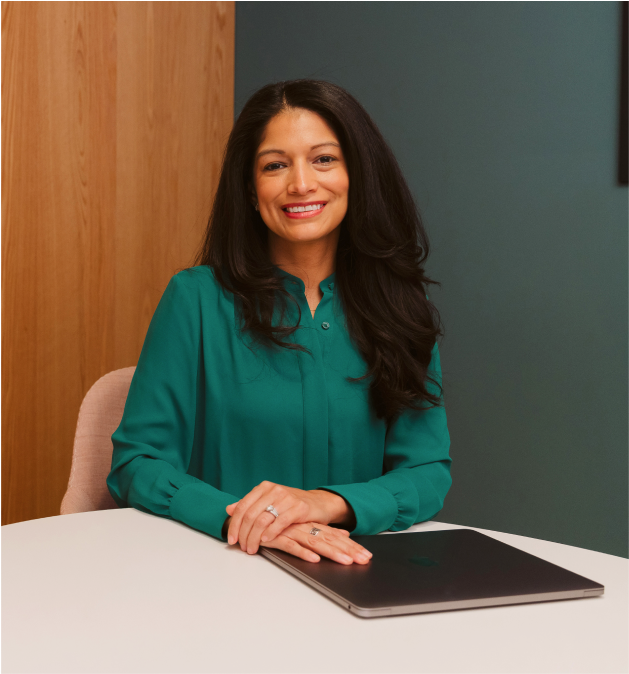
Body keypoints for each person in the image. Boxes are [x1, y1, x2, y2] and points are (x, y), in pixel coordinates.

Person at [107, 79, 452, 566]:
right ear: (250, 188)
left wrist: (325, 503)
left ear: (357, 172)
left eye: (324, 159)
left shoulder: (399, 305)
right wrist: (245, 519)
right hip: (222, 570)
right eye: (275, 165)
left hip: (360, 572)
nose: (301, 184)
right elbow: (137, 463)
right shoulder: (196, 299)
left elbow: (426, 470)